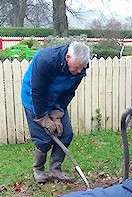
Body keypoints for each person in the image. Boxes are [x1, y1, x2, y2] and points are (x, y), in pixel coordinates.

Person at [21, 41, 90, 183]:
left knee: (66, 134)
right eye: (76, 68)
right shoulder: (46, 60)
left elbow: (70, 91)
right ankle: (39, 170)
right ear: (67, 57)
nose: (78, 72)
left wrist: (57, 113)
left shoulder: (80, 67)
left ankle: (55, 170)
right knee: (44, 140)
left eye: (81, 69)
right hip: (34, 100)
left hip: (56, 100)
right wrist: (42, 118)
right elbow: (37, 91)